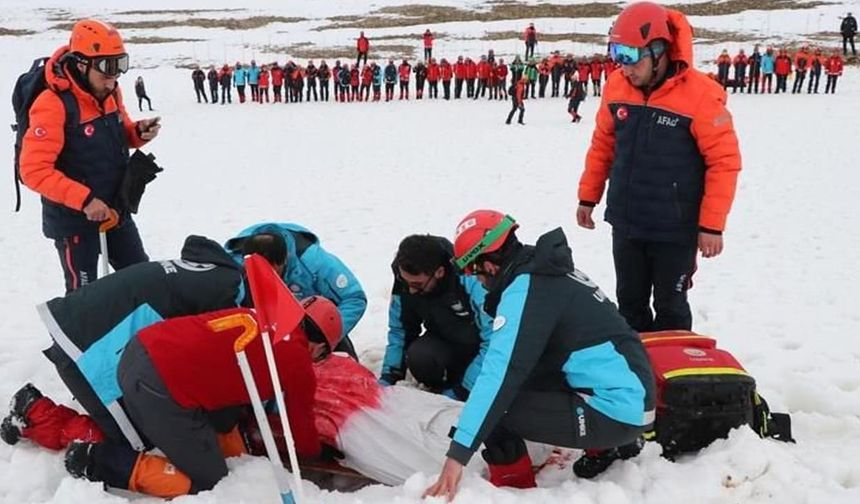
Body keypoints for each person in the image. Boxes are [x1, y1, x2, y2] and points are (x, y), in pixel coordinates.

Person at [423, 210, 656, 500]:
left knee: (498, 408)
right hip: (633, 395)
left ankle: (513, 490)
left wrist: (458, 454)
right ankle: (612, 445)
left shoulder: (527, 290)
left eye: (473, 270)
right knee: (523, 376)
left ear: (490, 264)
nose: (475, 279)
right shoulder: (545, 270)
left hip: (616, 409)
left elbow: (499, 375)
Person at [0, 235, 257, 455]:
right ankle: (35, 415)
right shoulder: (225, 302)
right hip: (85, 348)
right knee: (134, 443)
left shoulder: (217, 271)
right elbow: (216, 374)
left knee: (147, 411)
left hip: (78, 324)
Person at [576, 2, 742, 333]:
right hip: (626, 223)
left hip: (674, 228)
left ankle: (679, 378)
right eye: (616, 54)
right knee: (629, 304)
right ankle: (638, 377)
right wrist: (588, 197)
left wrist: (711, 226)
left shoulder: (702, 95)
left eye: (630, 55)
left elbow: (724, 162)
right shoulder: (616, 86)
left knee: (671, 306)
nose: (624, 66)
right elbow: (603, 146)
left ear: (659, 49)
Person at [65, 297, 336, 497]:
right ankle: (99, 460)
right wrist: (317, 452)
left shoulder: (258, 315)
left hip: (137, 350)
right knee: (211, 482)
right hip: (158, 386)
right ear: (319, 346)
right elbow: (299, 422)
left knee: (225, 417)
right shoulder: (298, 361)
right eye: (322, 356)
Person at [18, 19, 160, 293]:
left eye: (120, 65)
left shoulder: (111, 92)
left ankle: (140, 333)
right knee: (84, 296)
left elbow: (121, 133)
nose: (114, 77)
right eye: (106, 68)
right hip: (75, 221)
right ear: (81, 63)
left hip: (115, 208)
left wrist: (137, 133)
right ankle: (74, 338)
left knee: (142, 280)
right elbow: (33, 170)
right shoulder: (53, 104)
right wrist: (84, 200)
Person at [225, 224, 367, 358]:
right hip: (262, 331)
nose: (264, 278)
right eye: (257, 273)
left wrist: (325, 337)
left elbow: (354, 298)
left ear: (284, 260)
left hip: (311, 325)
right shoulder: (232, 267)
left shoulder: (314, 261)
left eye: (270, 271)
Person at [379, 235, 493, 399]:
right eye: (406, 282)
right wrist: (388, 376)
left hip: (478, 347)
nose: (410, 290)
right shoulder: (405, 281)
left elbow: (493, 340)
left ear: (439, 272)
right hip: (443, 342)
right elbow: (400, 330)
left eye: (417, 285)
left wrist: (463, 390)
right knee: (420, 357)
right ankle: (443, 387)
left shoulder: (471, 280)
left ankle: (467, 386)